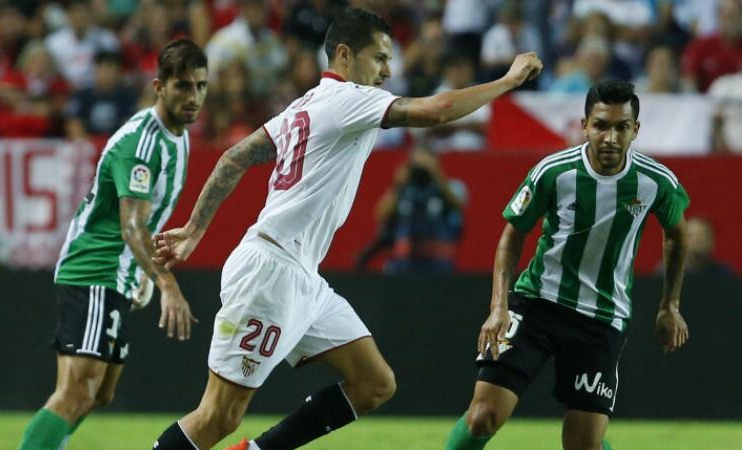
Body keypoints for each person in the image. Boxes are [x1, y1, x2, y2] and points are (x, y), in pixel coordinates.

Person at [150, 7, 542, 450]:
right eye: (379, 58)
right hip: (272, 271)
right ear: (344, 54)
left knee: (374, 382)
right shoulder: (347, 98)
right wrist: (507, 81)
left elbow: (234, 157)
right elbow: (436, 112)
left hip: (300, 274)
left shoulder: (307, 104)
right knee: (218, 417)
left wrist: (195, 228)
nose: (387, 71)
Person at [445, 80, 690, 450]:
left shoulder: (656, 182)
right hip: (537, 303)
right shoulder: (553, 171)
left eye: (621, 127)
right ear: (584, 125)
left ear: (635, 130)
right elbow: (511, 236)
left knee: (582, 445)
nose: (610, 137)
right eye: (601, 125)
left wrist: (669, 306)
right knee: (483, 415)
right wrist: (498, 307)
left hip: (602, 318)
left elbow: (677, 235)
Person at [16, 39, 207, 450]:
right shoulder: (141, 145)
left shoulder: (180, 136)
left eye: (200, 87)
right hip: (95, 267)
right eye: (183, 87)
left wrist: (137, 272)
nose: (193, 98)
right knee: (75, 392)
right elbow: (132, 227)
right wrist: (166, 283)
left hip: (118, 271)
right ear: (159, 86)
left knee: (98, 394)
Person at [356, 145, 467, 272]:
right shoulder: (405, 188)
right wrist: (399, 184)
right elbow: (380, 214)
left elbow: (459, 205)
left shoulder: (451, 186)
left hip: (439, 262)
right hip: (404, 262)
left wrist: (436, 175)